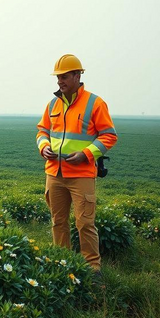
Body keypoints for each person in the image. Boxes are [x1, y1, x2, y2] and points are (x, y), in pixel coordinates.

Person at [36, 54, 118, 275]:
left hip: (81, 174)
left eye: (64, 76)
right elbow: (42, 130)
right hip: (54, 174)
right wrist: (43, 147)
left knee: (85, 224)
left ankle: (93, 271)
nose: (59, 81)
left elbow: (109, 136)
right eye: (58, 77)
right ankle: (62, 265)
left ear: (77, 75)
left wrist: (86, 154)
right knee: (57, 221)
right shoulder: (53, 103)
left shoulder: (95, 103)